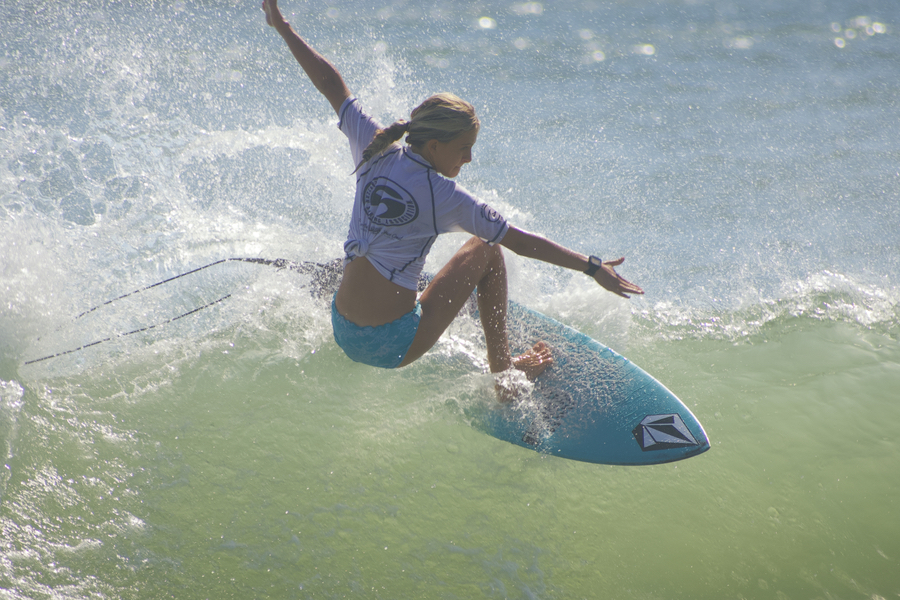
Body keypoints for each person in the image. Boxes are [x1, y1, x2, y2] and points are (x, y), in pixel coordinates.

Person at [262, 0, 643, 390]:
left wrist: (283, 27)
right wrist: (593, 267)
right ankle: (505, 377)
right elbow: (521, 242)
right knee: (488, 249)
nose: (470, 157)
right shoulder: (445, 196)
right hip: (393, 346)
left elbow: (331, 84)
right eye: (464, 147)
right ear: (434, 145)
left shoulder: (373, 147)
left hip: (343, 330)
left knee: (385, 251)